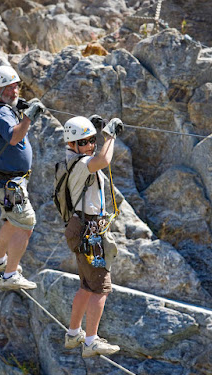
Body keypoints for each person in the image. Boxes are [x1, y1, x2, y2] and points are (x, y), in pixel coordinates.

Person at [63, 115, 123, 357]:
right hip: (90, 233)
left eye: (92, 140)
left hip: (82, 229)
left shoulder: (75, 161)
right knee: (101, 287)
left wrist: (98, 132)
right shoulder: (79, 164)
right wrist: (110, 137)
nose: (90, 145)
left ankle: (73, 333)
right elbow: (104, 159)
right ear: (72, 144)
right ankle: (90, 342)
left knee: (87, 286)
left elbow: (97, 157)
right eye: (84, 141)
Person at [0, 65, 44, 290]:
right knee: (26, 224)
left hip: (7, 182)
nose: (14, 91)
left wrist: (21, 111)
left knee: (11, 220)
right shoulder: (0, 112)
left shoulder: (2, 109)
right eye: (8, 88)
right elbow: (13, 137)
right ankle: (10, 277)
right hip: (10, 185)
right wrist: (28, 117)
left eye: (16, 86)